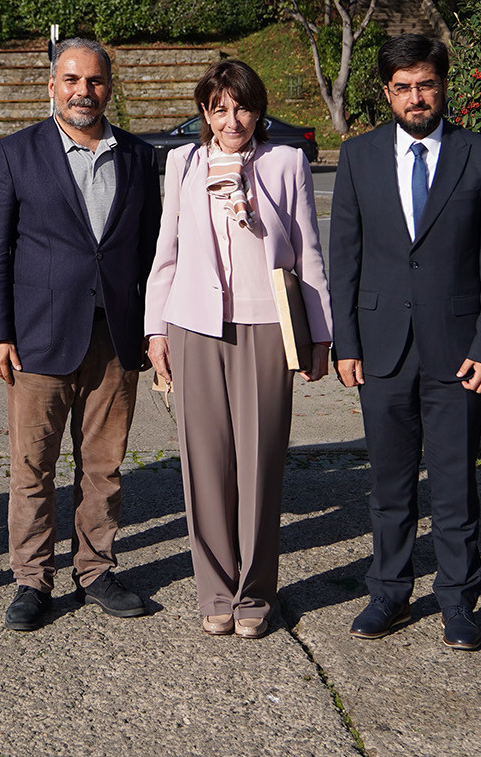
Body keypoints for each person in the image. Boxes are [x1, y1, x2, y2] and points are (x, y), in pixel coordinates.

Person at [329, 35, 481, 649]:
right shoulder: (356, 158)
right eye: (404, 87)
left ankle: (459, 601)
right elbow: (345, 259)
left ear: (443, 86)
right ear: (386, 91)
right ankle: (388, 593)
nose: (416, 97)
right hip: (381, 349)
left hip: (458, 352)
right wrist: (346, 343)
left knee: (456, 483)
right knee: (389, 483)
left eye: (426, 85)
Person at [0, 37, 162, 631]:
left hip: (116, 337)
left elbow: (153, 250)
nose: (85, 91)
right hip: (38, 338)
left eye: (96, 81)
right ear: (52, 86)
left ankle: (96, 569)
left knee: (104, 464)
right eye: (73, 80)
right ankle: (32, 579)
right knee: (33, 464)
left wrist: (153, 328)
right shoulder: (15, 153)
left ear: (110, 86)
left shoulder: (137, 156)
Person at [146, 59, 332, 640]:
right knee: (204, 466)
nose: (233, 119)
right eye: (220, 108)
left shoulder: (285, 162)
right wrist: (156, 332)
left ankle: (254, 594)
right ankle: (215, 591)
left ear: (259, 109)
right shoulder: (182, 163)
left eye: (243, 106)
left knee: (260, 465)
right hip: (193, 326)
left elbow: (307, 250)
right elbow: (167, 252)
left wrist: (320, 335)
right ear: (204, 112)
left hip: (266, 327)